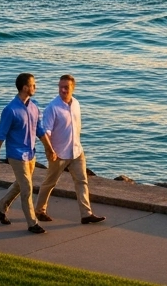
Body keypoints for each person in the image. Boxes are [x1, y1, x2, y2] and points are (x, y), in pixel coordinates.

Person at [35, 75, 105, 225]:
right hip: (58, 153)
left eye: (66, 87)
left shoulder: (76, 104)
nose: (63, 90)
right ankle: (39, 210)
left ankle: (86, 214)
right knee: (50, 183)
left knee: (82, 181)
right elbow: (46, 131)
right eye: (60, 86)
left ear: (73, 88)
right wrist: (49, 150)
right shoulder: (52, 108)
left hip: (76, 152)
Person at [0, 72, 45, 233]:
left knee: (20, 185)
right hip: (16, 155)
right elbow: (0, 135)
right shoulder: (10, 110)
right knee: (27, 187)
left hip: (31, 154)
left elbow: (40, 130)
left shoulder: (34, 107)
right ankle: (32, 223)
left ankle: (0, 208)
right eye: (33, 84)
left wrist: (50, 148)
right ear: (25, 87)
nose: (36, 87)